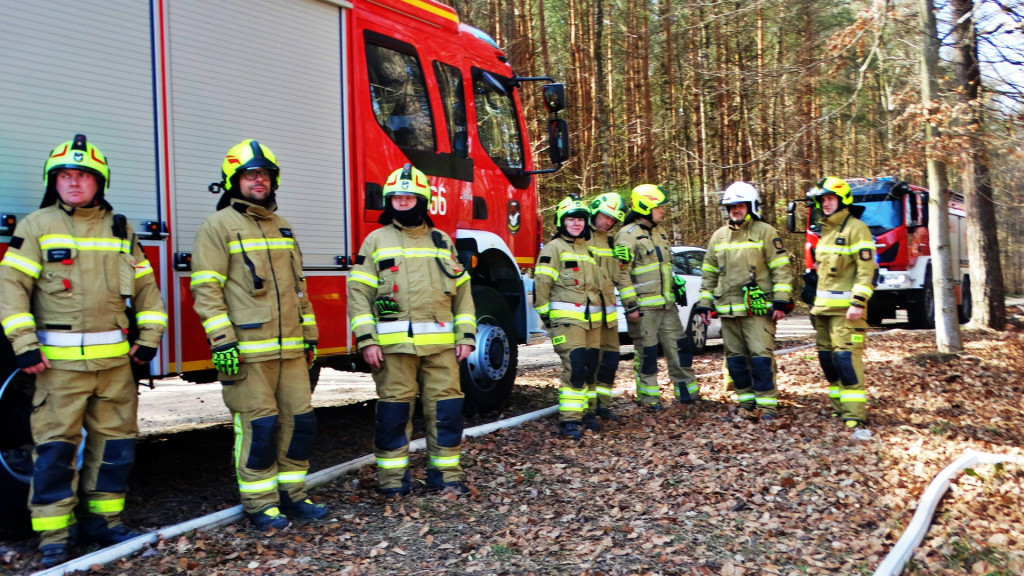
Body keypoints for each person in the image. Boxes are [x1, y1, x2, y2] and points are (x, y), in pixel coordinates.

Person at [0, 134, 167, 567]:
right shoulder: (36, 226)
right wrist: (22, 345)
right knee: (55, 449)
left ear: (99, 182)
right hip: (56, 368)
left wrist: (148, 339)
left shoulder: (121, 229)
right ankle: (54, 536)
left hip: (114, 367)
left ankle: (104, 524)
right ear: (53, 182)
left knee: (115, 447)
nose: (74, 183)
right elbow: (11, 290)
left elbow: (148, 290)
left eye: (83, 176)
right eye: (65, 176)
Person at [191, 139, 327, 531]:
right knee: (260, 426)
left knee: (299, 422)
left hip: (289, 350)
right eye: (251, 174)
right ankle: (260, 503)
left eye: (265, 174)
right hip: (248, 352)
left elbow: (299, 287)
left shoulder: (282, 227)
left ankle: (293, 494)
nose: (259, 180)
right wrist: (222, 342)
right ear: (234, 181)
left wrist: (310, 335)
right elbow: (206, 289)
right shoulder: (216, 227)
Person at [347, 164, 476, 497]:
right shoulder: (376, 240)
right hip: (394, 351)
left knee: (446, 413)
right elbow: (358, 294)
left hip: (442, 350)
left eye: (409, 197)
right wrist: (366, 340)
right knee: (393, 415)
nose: (403, 202)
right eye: (396, 198)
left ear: (423, 200)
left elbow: (463, 294)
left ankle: (446, 477)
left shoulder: (441, 240)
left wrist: (466, 336)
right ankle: (392, 483)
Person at [694, 181, 794, 421]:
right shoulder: (719, 236)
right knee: (736, 361)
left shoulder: (765, 232)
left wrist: (781, 301)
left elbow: (781, 268)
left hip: (757, 310)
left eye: (740, 205)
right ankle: (746, 402)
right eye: (731, 206)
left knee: (760, 357)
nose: (736, 210)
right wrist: (705, 304)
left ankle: (768, 406)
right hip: (728, 312)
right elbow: (708, 274)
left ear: (751, 206)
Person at [614, 184, 699, 410]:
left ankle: (687, 394)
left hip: (667, 306)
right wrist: (631, 306)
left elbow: (663, 267)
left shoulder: (660, 232)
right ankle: (650, 400)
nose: (662, 211)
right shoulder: (627, 235)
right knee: (648, 355)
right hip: (644, 309)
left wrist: (675, 284)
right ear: (645, 207)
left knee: (681, 349)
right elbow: (621, 274)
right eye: (658, 207)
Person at [806, 177, 877, 428]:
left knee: (847, 361)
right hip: (824, 310)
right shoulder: (825, 231)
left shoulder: (857, 228)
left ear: (843, 200)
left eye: (830, 199)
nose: (825, 203)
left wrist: (858, 302)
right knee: (829, 362)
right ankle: (838, 408)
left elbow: (866, 270)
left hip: (848, 312)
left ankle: (854, 414)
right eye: (823, 199)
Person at [534, 195, 606, 439]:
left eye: (580, 219)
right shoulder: (553, 249)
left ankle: (587, 412)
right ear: (562, 222)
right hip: (567, 323)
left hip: (592, 322)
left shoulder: (588, 251)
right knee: (574, 368)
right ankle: (570, 421)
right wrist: (548, 319)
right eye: (571, 219)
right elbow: (542, 285)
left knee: (590, 368)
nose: (576, 223)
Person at [584, 192, 629, 427]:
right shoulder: (579, 238)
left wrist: (622, 262)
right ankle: (588, 410)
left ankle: (604, 405)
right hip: (587, 314)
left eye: (612, 220)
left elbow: (615, 277)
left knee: (610, 360)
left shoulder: (610, 242)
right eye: (605, 216)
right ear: (595, 210)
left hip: (609, 314)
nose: (607, 222)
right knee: (590, 362)